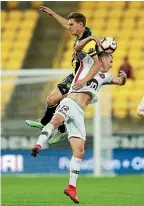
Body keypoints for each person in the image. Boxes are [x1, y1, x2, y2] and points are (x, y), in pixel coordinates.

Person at [31, 36, 127, 203]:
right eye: (110, 60)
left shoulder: (105, 77)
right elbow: (78, 49)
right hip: (70, 101)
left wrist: (124, 77)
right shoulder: (89, 63)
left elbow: (119, 82)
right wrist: (91, 40)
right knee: (56, 121)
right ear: (102, 58)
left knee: (79, 151)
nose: (112, 64)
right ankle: (38, 144)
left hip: (80, 114)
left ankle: (71, 188)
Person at [26, 6, 100, 140]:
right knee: (52, 100)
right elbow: (66, 24)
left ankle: (57, 128)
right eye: (69, 24)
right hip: (74, 75)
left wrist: (84, 81)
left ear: (80, 25)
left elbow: (98, 64)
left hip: (80, 79)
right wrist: (52, 13)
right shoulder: (81, 34)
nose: (69, 27)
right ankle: (55, 126)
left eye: (72, 25)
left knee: (58, 102)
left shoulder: (88, 43)